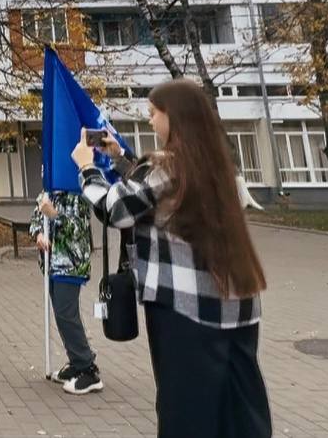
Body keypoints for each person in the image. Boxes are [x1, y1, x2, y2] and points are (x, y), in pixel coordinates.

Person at [77, 80, 269, 438]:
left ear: (174, 116)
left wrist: (88, 169)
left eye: (154, 113)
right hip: (237, 306)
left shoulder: (165, 165)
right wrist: (121, 160)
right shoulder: (214, 165)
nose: (150, 121)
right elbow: (156, 194)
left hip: (184, 310)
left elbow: (117, 209)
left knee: (186, 411)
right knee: (239, 409)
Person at [29, 190, 101, 394]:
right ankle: (78, 361)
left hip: (71, 264)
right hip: (52, 264)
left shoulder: (78, 195)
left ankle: (87, 367)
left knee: (66, 313)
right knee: (62, 314)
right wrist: (39, 234)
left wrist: (53, 214)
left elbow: (78, 229)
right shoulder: (48, 191)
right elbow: (35, 218)